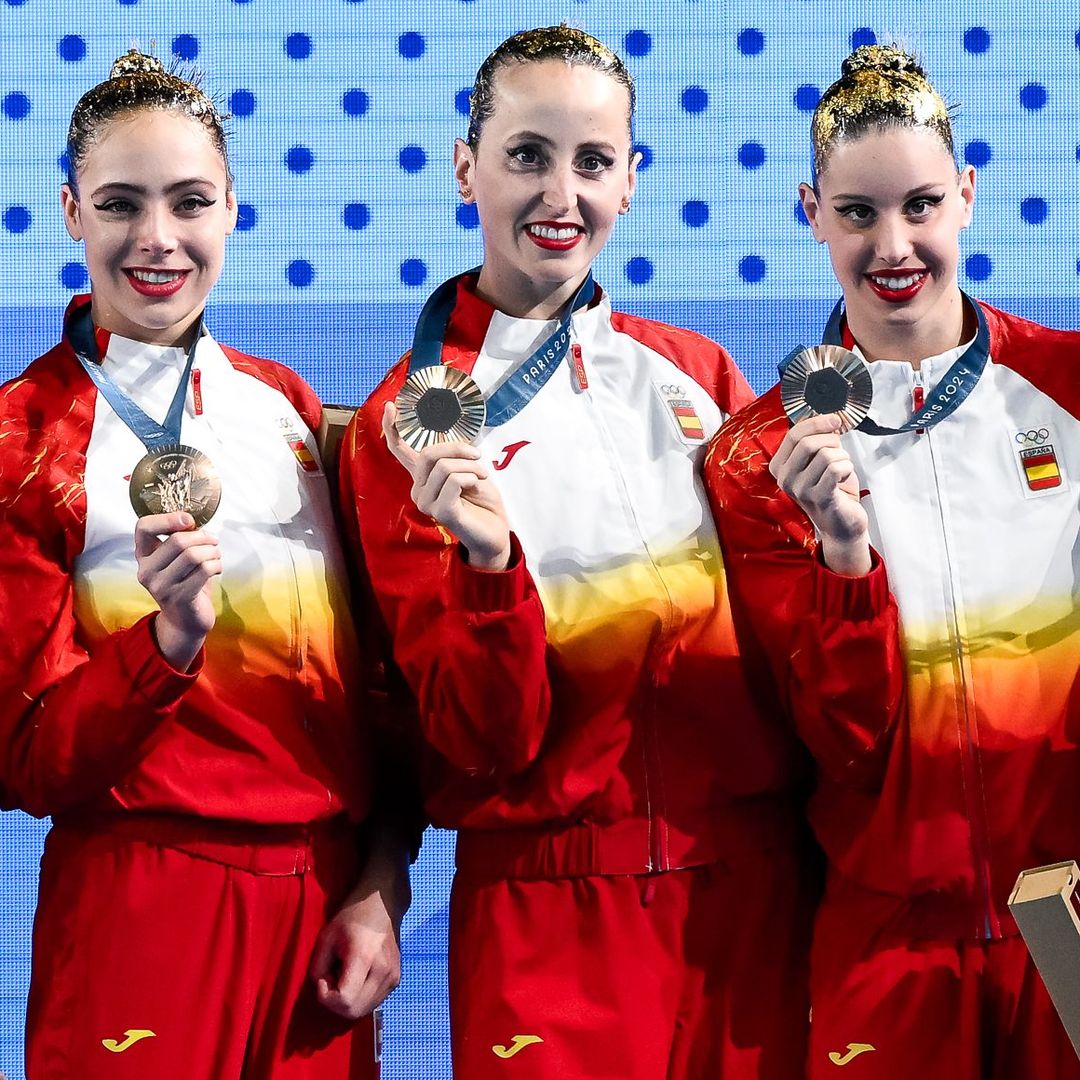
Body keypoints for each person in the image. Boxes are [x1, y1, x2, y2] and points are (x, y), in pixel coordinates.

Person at [342, 25, 823, 1080]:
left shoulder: (698, 374)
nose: (561, 192)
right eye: (528, 154)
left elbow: (796, 657)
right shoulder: (406, 424)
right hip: (546, 911)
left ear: (631, 181)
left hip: (750, 892)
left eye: (593, 161)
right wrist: (484, 573)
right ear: (466, 166)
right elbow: (477, 740)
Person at [0, 51, 409, 1080]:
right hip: (139, 903)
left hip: (319, 911)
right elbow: (28, 765)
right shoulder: (22, 441)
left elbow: (374, 687)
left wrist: (380, 881)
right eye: (120, 204)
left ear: (232, 210)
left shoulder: (290, 410)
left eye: (189, 202)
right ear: (69, 213)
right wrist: (165, 647)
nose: (156, 239)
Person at [706, 43, 1080, 1080]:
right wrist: (842, 561)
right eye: (859, 213)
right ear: (810, 212)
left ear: (966, 196)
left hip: (1069, 915)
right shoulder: (758, 455)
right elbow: (840, 740)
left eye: (920, 205)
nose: (895, 244)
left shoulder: (1069, 387)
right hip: (888, 937)